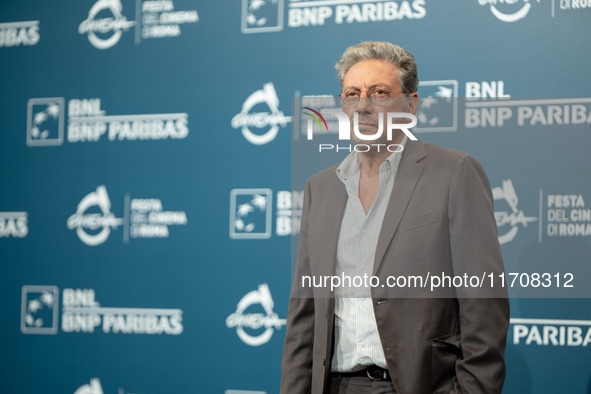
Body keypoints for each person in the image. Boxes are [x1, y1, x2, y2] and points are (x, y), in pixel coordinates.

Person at [280, 41, 510, 394]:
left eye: (379, 93)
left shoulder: (454, 173)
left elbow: (483, 305)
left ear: (411, 104)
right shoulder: (321, 188)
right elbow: (304, 315)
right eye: (352, 94)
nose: (363, 106)